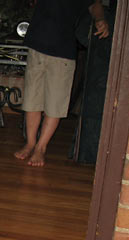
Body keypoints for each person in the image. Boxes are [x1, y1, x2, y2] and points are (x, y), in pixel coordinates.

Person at [14, 0, 109, 167]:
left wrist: (100, 20)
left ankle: (41, 148)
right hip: (37, 45)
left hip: (63, 51)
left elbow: (95, 4)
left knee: (55, 105)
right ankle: (30, 143)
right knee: (31, 101)